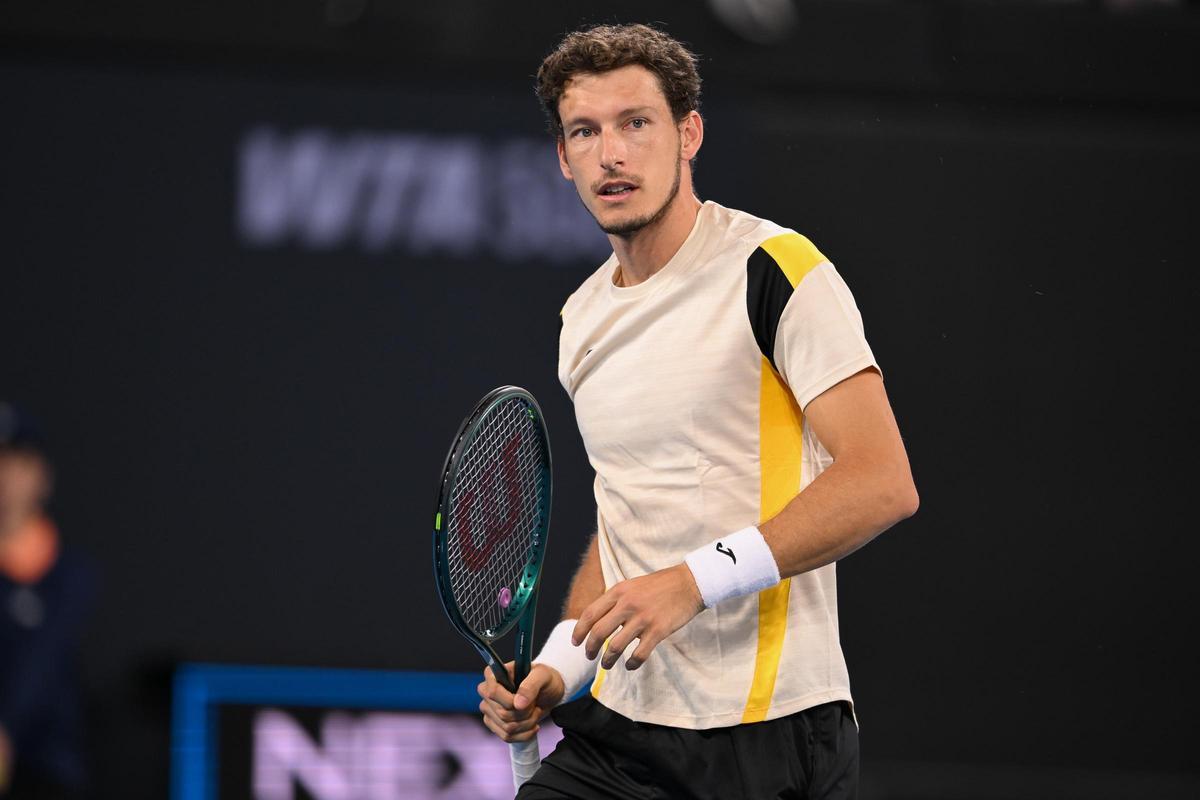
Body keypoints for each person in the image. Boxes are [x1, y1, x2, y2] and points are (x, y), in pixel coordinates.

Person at [477, 23, 918, 799]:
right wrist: (559, 663)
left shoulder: (775, 269)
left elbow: (883, 482)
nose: (611, 154)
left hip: (771, 735)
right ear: (563, 158)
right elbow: (628, 522)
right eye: (585, 131)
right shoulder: (581, 319)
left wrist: (694, 581)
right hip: (623, 735)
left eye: (635, 124)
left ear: (689, 134)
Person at [0, 403, 93, 799]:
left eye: (17, 463)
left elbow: (41, 664)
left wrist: (4, 731)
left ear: (42, 477)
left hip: (47, 769)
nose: (5, 477)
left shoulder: (72, 574)